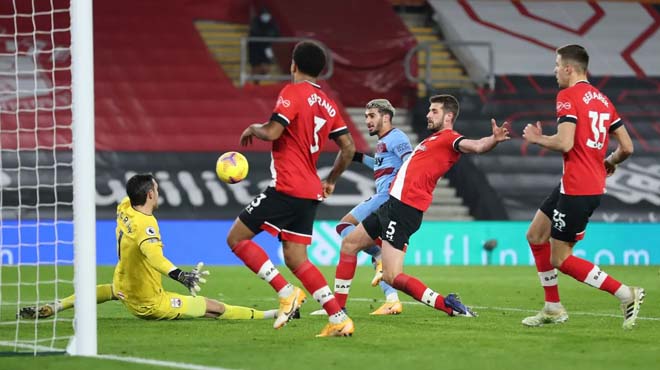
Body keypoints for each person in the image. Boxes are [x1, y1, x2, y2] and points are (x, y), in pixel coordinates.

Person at [332, 94, 509, 321]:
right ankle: (337, 310)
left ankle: (449, 305)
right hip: (392, 204)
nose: (428, 114)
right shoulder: (430, 140)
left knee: (392, 276)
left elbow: (475, 145)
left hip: (404, 209)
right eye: (429, 110)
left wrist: (492, 140)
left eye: (434, 111)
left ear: (449, 116)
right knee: (349, 244)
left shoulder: (450, 139)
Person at [228, 40, 357, 337]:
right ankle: (339, 319)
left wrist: (254, 127)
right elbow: (348, 147)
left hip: (287, 186)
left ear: (293, 65)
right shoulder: (329, 104)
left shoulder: (292, 92)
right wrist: (332, 179)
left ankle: (286, 292)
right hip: (310, 191)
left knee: (236, 238)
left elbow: (273, 130)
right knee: (297, 259)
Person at [20, 174, 277, 321]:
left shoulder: (124, 207)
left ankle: (55, 306)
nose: (159, 191)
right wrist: (180, 275)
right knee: (213, 308)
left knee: (106, 291)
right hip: (149, 302)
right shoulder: (146, 224)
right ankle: (270, 314)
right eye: (157, 188)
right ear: (150, 195)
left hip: (122, 285)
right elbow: (154, 256)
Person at [521, 44, 644, 329]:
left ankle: (626, 293)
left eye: (556, 65)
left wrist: (537, 138)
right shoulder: (602, 100)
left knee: (561, 259)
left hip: (578, 187)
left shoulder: (567, 95)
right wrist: (609, 162)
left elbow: (565, 142)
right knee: (536, 234)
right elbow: (627, 147)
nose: (554, 71)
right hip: (581, 183)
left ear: (568, 68)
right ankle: (552, 307)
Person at [310, 98, 412, 316]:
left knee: (344, 227)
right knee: (362, 240)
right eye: (366, 116)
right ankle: (392, 299)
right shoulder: (385, 141)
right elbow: (379, 165)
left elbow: (411, 163)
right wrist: (356, 157)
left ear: (386, 117)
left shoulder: (397, 138)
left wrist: (398, 192)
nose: (367, 121)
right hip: (385, 197)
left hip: (386, 197)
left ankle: (375, 259)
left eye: (372, 116)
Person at [248, 8, 279, 79]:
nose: (266, 17)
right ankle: (254, 79)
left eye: (267, 15)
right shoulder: (255, 22)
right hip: (255, 48)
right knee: (256, 66)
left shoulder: (272, 23)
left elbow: (276, 33)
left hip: (266, 47)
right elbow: (255, 32)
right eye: (264, 15)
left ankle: (263, 75)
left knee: (267, 63)